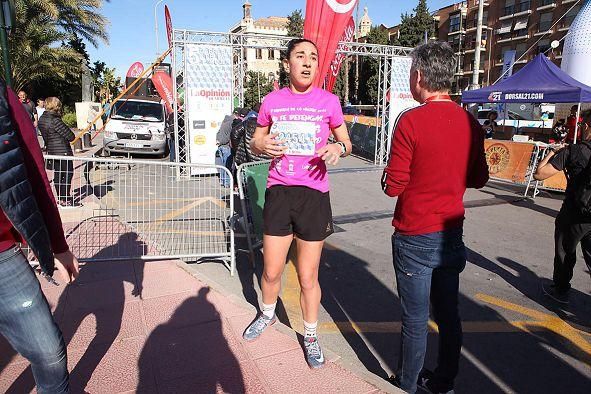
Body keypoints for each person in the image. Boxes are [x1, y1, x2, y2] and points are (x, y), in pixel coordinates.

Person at [381, 42, 489, 394]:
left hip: (414, 234)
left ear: (419, 76)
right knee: (448, 314)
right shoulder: (470, 123)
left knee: (414, 320)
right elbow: (479, 178)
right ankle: (443, 382)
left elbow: (393, 186)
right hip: (451, 233)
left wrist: (392, 175)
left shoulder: (410, 121)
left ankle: (407, 384)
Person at [242, 38, 352, 369]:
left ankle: (311, 334)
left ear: (318, 66)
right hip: (279, 192)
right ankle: (267, 314)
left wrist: (338, 149)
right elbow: (257, 139)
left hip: (313, 196)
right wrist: (261, 144)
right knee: (272, 270)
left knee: (308, 276)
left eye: (313, 58)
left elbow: (345, 141)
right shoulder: (272, 101)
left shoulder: (329, 101)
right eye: (300, 56)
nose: (307, 62)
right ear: (288, 63)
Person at [0, 80, 80, 393]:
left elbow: (33, 168)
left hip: (3, 251)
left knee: (48, 350)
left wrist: (57, 246)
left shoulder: (4, 97)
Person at [534, 109, 591, 304]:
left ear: (586, 127)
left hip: (574, 211)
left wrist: (551, 153)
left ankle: (560, 289)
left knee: (565, 251)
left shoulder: (573, 151)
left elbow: (539, 174)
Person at [38, 97, 76, 206]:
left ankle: (61, 198)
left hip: (52, 152)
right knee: (67, 175)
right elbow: (71, 136)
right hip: (63, 152)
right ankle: (65, 199)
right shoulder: (55, 120)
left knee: (58, 175)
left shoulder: (42, 119)